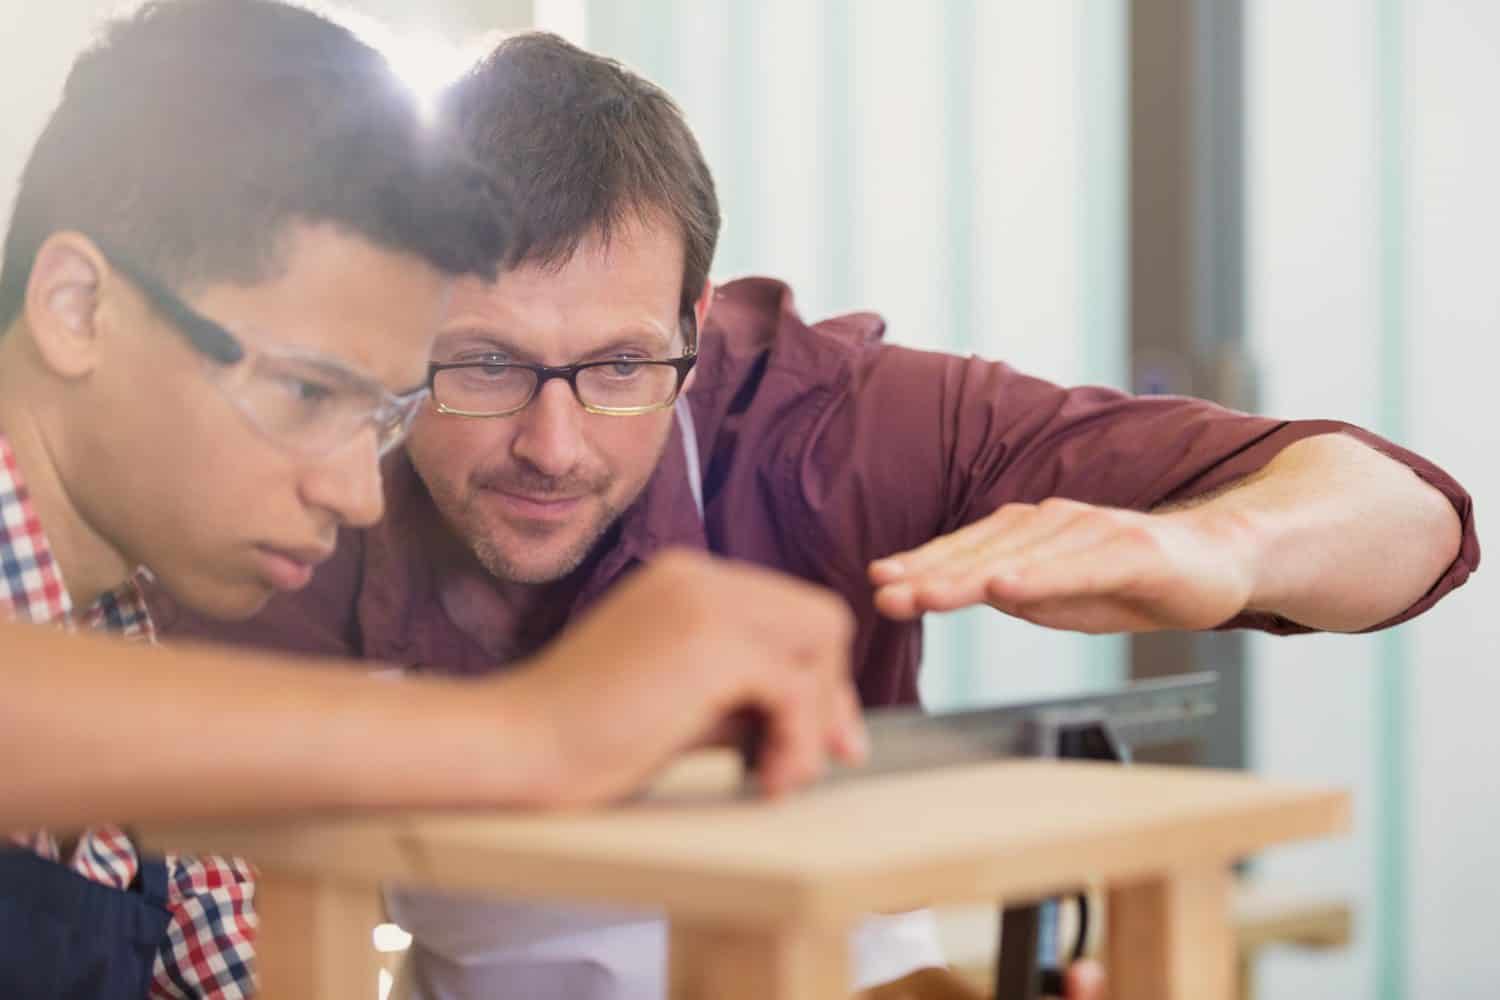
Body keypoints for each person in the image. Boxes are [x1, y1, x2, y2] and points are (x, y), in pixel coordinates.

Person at [159, 31, 1478, 1000]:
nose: (551, 447)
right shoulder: (291, 480)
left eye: (621, 369)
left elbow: (1410, 518)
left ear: (692, 323)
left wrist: (1221, 545)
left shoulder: (832, 427)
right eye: (484, 366)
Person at [0, 7, 864, 998]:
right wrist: (539, 732)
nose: (357, 494)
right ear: (77, 306)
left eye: (379, 416)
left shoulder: (122, 637)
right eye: (306, 393)